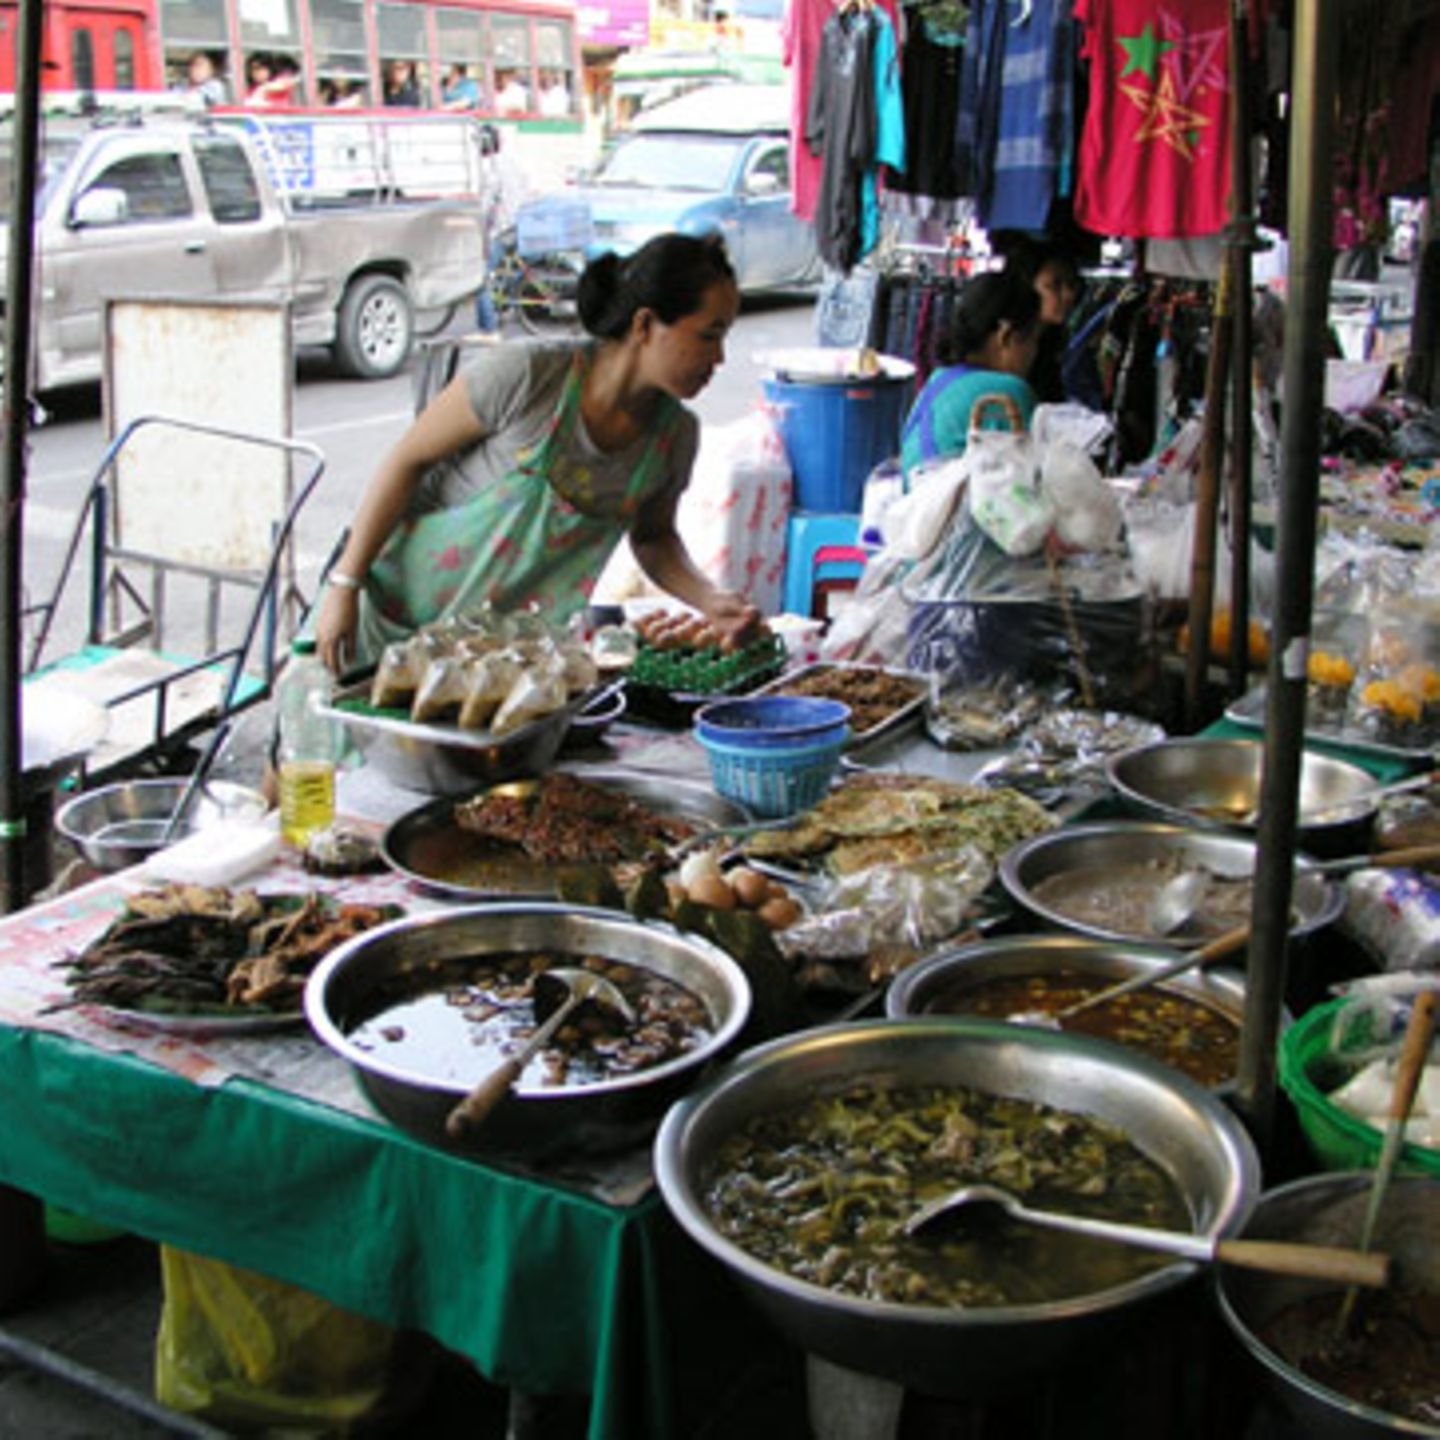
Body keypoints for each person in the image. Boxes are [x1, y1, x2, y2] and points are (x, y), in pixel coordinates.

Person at [314, 232, 760, 673]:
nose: (719, 358)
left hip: (492, 662)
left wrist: (710, 600)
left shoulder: (674, 437)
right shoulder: (527, 377)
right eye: (708, 335)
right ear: (645, 325)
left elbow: (653, 538)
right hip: (385, 624)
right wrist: (345, 585)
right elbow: (406, 461)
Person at [899, 269, 1042, 479]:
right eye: (1033, 339)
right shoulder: (1008, 391)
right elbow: (1034, 483)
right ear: (1006, 335)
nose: (1034, 352)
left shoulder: (939, 380)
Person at [1002, 237, 1082, 404]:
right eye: (1055, 286)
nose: (1068, 295)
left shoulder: (1049, 343)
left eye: (1071, 284)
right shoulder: (1006, 346)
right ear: (1026, 286)